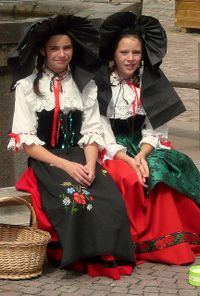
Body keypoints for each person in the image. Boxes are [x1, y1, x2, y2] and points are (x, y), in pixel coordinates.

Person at [82, 11, 200, 265]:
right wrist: (128, 159)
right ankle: (138, 242)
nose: (130, 59)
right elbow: (99, 129)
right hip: (110, 149)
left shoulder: (151, 82)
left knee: (165, 167)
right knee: (129, 177)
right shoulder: (98, 85)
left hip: (142, 146)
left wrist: (142, 154)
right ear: (113, 54)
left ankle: (174, 237)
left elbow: (156, 128)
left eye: (135, 53)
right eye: (124, 53)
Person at [7, 15, 135, 280]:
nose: (62, 54)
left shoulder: (84, 85)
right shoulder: (27, 87)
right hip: (48, 159)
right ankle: (83, 257)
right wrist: (67, 165)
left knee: (109, 197)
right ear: (43, 50)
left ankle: (110, 255)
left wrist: (90, 164)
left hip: (80, 154)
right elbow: (28, 144)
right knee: (78, 199)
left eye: (67, 48)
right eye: (54, 48)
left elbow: (91, 131)